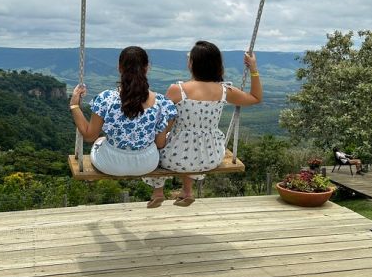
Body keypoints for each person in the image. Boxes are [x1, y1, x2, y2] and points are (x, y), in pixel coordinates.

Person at [143, 41, 262, 207]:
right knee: (192, 147)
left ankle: (158, 191)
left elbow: (162, 124)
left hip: (175, 158)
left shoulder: (178, 90)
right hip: (210, 156)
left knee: (158, 144)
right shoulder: (224, 90)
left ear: (192, 64)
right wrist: (253, 69)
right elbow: (256, 98)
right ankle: (187, 191)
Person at [70, 46, 177, 176]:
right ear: (147, 68)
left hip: (110, 165)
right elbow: (160, 144)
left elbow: (89, 136)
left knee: (99, 140)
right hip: (147, 164)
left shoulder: (106, 99)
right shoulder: (161, 102)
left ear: (119, 68)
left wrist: (74, 106)